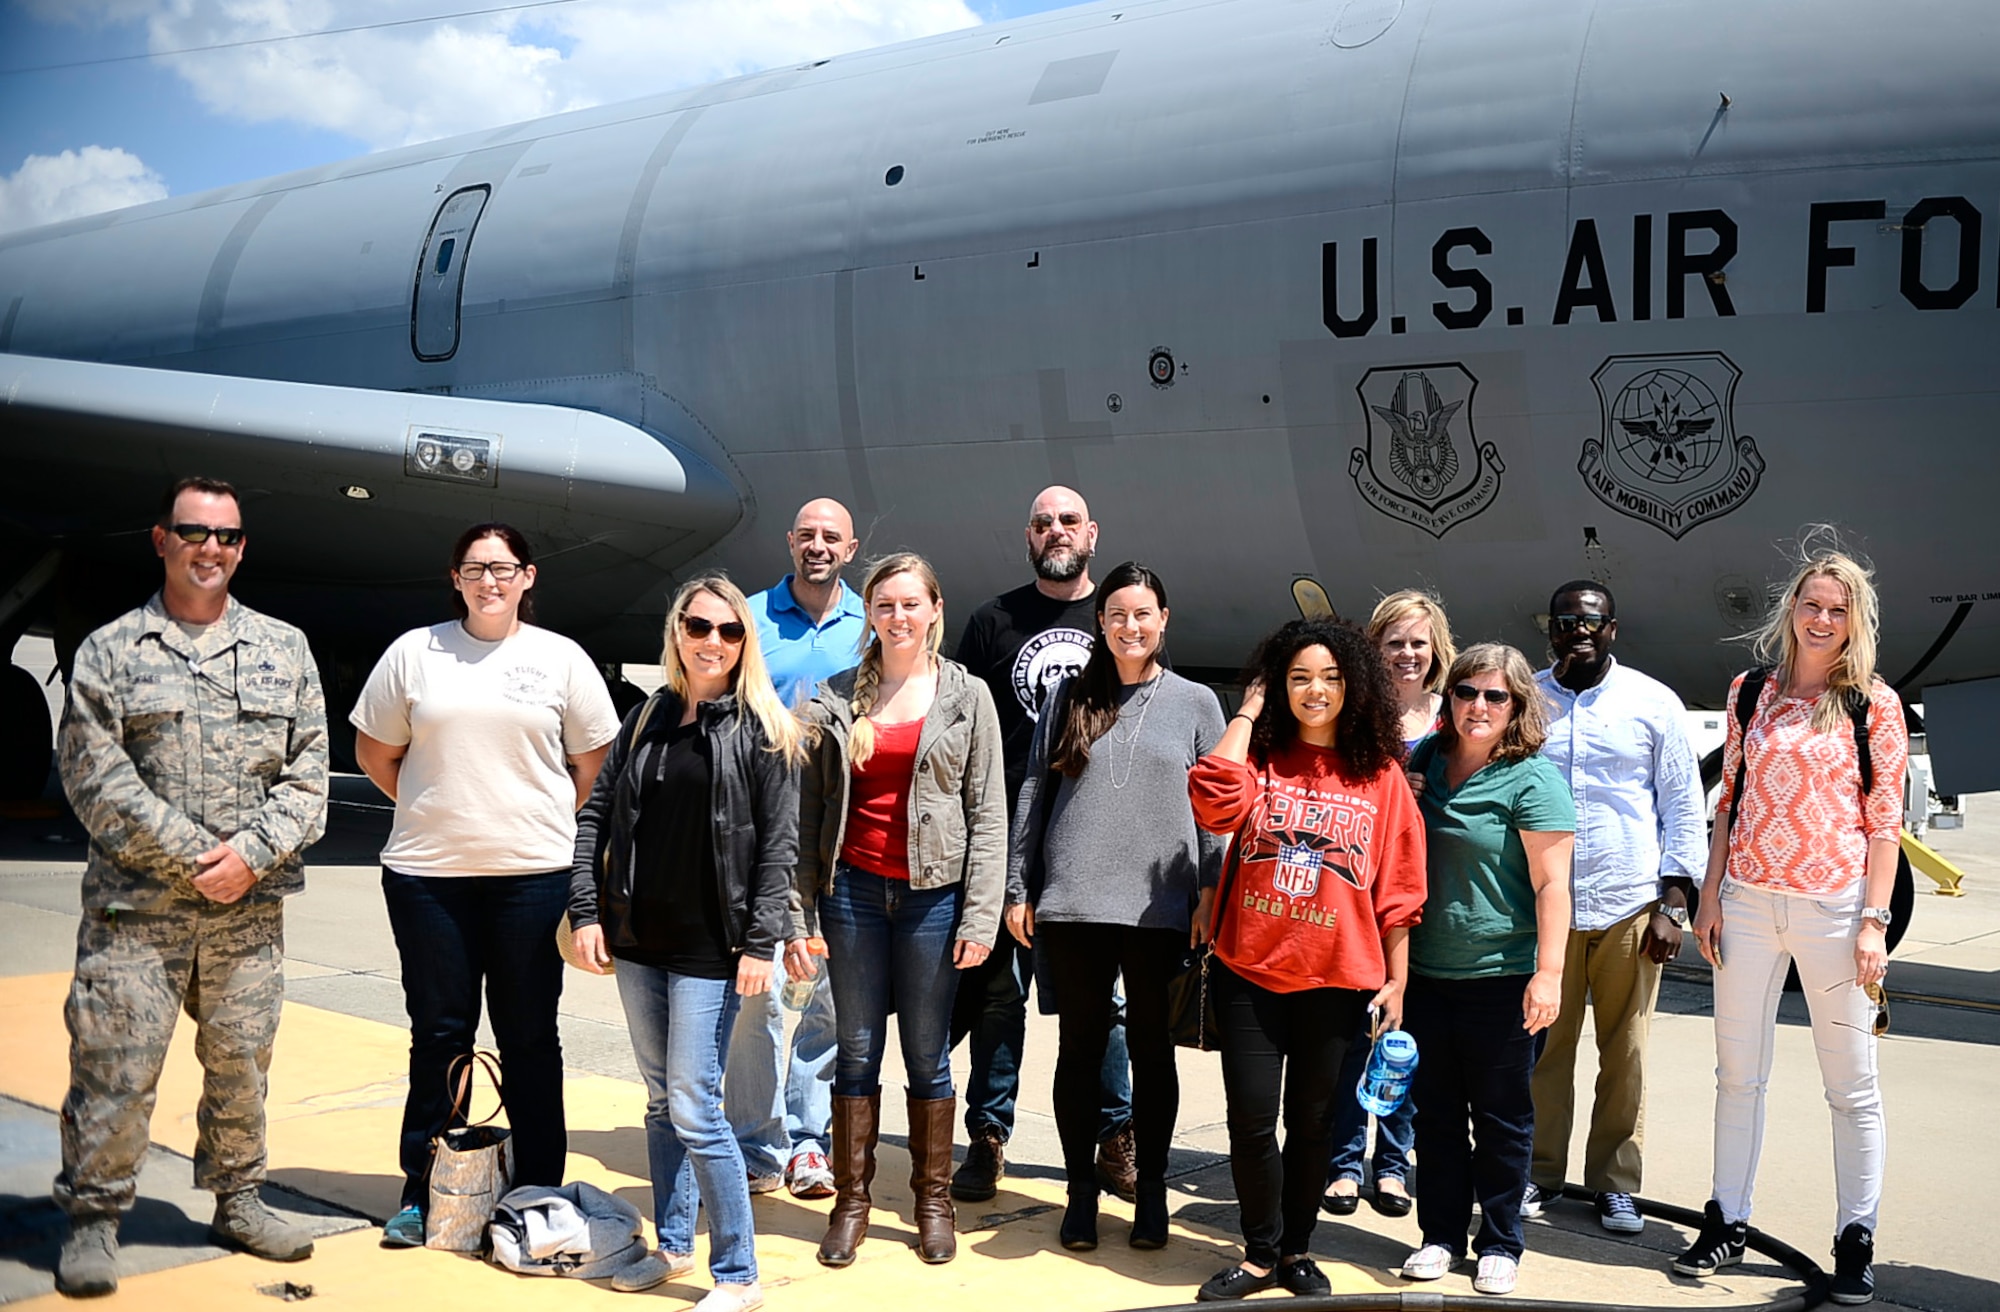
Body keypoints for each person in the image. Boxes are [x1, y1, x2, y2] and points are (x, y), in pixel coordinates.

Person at [53, 476, 329, 1298]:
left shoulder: (285, 649)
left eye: (228, 537)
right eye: (194, 532)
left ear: (243, 547)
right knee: (114, 1066)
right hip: (135, 914)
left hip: (247, 913)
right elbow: (94, 779)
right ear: (161, 540)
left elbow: (310, 777)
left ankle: (239, 1201)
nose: (212, 549)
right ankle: (95, 1217)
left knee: (242, 1065)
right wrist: (198, 857)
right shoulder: (112, 651)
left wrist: (251, 856)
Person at [351, 523, 619, 1248]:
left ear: (528, 577)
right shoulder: (416, 651)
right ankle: (425, 1191)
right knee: (440, 1035)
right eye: (475, 569)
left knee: (530, 1037)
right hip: (429, 879)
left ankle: (538, 1186)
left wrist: (538, 819)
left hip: (533, 879)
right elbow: (375, 750)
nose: (489, 581)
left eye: (503, 568)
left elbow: (593, 762)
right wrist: (433, 806)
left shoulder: (559, 658)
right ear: (456, 578)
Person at [569, 575, 807, 1311]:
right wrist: (586, 910)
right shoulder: (645, 719)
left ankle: (738, 1274)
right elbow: (594, 818)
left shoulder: (764, 729)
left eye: (729, 631)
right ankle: (674, 1245)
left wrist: (761, 946)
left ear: (745, 644)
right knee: (657, 1100)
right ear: (677, 632)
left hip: (714, 948)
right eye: (699, 627)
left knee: (698, 1107)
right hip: (639, 940)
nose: (712, 642)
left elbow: (777, 851)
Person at [1676, 547, 1905, 1307]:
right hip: (1744, 901)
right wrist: (1708, 899)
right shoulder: (1750, 695)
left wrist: (1873, 922)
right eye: (1813, 604)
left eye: (1839, 610)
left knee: (1852, 1089)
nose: (1823, 620)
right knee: (1737, 1077)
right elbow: (1728, 804)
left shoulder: (1873, 704)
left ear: (1855, 622)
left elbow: (1883, 823)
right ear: (1791, 609)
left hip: (1834, 912)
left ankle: (1855, 1237)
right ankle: (1727, 1219)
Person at [1187, 619, 1427, 1302]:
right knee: (1251, 1119)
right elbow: (1211, 798)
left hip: (1339, 978)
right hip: (1249, 971)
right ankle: (1258, 1253)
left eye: (1328, 677)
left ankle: (1296, 1250)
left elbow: (1401, 888)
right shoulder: (1261, 761)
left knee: (1314, 1124)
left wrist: (1398, 978)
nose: (1314, 691)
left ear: (1353, 685)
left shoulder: (1379, 775)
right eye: (1298, 678)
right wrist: (1248, 710)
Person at [1003, 563, 1226, 1252]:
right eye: (1118, 614)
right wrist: (1018, 886)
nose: (1132, 626)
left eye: (1144, 614)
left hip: (1161, 903)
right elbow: (1035, 791)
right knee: (1080, 1050)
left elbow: (1217, 811)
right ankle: (1079, 1192)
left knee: (1154, 1053)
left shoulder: (1196, 703)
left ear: (1164, 620)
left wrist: (1212, 892)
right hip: (1073, 901)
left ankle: (1152, 1190)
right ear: (1100, 622)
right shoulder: (1070, 695)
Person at [793, 552, 1007, 1268]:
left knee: (926, 1056)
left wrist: (979, 918)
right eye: (884, 605)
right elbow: (809, 811)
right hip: (851, 891)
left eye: (911, 604)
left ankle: (931, 1202)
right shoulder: (834, 696)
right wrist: (800, 912)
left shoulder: (965, 696)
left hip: (932, 897)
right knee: (855, 1049)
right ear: (869, 614)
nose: (898, 617)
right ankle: (853, 1202)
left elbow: (988, 812)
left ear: (935, 609)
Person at [951, 485, 1137, 1204]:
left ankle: (1114, 1137)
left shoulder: (1116, 622)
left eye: (1067, 521)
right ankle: (988, 1137)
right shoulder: (992, 622)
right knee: (1000, 998)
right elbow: (964, 728)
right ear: (1027, 537)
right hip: (1004, 840)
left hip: (1091, 841)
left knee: (1105, 1004)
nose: (1055, 531)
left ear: (1092, 532)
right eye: (1041, 523)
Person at [1525, 581, 1704, 1234]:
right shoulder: (1527, 700)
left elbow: (1684, 805)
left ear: (1613, 629)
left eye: (1591, 621)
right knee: (1545, 1049)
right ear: (1550, 629)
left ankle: (1615, 1183)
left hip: (1630, 903)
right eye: (1566, 620)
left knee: (1624, 1052)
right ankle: (1539, 1172)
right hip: (1546, 906)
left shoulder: (1652, 704)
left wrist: (1675, 904)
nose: (1579, 630)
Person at [1399, 643, 1575, 1296]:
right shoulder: (1426, 760)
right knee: (1435, 1114)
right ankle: (1439, 1234)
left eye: (1494, 696)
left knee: (1502, 1118)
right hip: (1428, 974)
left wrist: (1548, 974)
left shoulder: (1533, 778)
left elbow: (1553, 886)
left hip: (1502, 977)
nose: (1477, 706)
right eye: (1466, 692)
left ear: (1517, 705)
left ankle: (1500, 1240)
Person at [729, 498, 866, 1200]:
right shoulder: (751, 618)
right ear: (790, 541)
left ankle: (809, 1143)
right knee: (760, 995)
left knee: (825, 994)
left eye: (830, 538)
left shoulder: (869, 626)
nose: (817, 545)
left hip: (834, 833)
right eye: (806, 534)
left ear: (850, 548)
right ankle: (757, 1140)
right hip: (759, 824)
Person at [1323, 589, 1457, 1221]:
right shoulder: (1356, 716)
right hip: (1357, 893)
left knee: (1406, 1036)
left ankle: (1394, 1165)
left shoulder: (1454, 718)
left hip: (1428, 891)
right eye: (1395, 642)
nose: (1407, 654)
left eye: (1418, 643)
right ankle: (1345, 1162)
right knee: (1357, 1032)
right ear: (1373, 650)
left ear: (1437, 652)